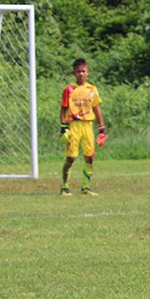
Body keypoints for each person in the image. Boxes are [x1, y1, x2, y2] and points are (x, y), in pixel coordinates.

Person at [60, 58, 106, 196]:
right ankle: (64, 187)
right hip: (74, 126)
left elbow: (96, 108)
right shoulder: (69, 89)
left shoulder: (92, 89)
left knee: (89, 157)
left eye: (83, 71)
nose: (81, 74)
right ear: (74, 73)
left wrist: (102, 127)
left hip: (87, 126)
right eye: (78, 71)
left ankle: (86, 187)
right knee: (71, 158)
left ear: (87, 72)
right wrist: (63, 126)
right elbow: (63, 108)